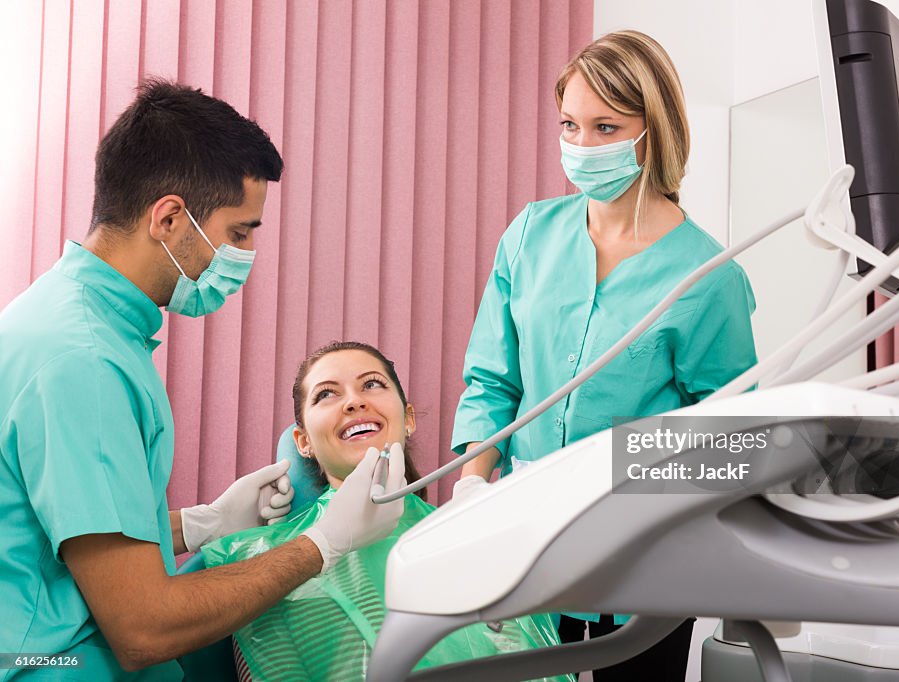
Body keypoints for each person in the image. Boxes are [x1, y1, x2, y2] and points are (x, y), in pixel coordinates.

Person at [0, 80, 404, 680]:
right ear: (169, 218)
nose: (244, 253)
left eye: (372, 385)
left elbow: (57, 526)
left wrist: (199, 524)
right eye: (239, 233)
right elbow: (141, 629)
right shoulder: (83, 363)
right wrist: (321, 545)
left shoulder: (70, 322)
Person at [450, 30, 758, 680]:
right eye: (570, 124)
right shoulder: (531, 234)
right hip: (527, 537)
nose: (581, 146)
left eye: (605, 127)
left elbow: (729, 437)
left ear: (654, 132)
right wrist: (474, 484)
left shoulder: (706, 277)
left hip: (648, 558)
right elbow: (491, 379)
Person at [201, 341, 571, 682]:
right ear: (303, 442)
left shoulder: (479, 543)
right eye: (326, 393)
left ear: (408, 419)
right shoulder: (264, 560)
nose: (354, 402)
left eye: (372, 384)